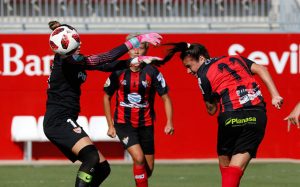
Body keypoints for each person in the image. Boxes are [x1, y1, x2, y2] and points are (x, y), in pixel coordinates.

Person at [43, 21, 162, 187]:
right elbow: (106, 57)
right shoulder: (69, 62)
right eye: (77, 41)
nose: (81, 43)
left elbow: (106, 65)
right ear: (68, 48)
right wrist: (137, 40)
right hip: (58, 121)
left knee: (103, 168)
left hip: (64, 120)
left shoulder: (69, 57)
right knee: (91, 157)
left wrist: (135, 61)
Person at [156, 42, 283, 187]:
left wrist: (212, 98)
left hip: (231, 116)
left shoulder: (202, 76)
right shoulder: (236, 58)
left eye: (189, 66)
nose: (188, 71)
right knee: (235, 169)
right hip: (257, 115)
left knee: (225, 160)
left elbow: (212, 110)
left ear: (201, 59)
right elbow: (261, 68)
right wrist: (275, 95)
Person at [103, 34, 174, 187]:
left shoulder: (152, 72)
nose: (136, 52)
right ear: (127, 51)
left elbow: (166, 97)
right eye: (133, 48)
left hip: (146, 125)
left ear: (146, 51)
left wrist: (169, 122)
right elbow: (106, 97)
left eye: (140, 48)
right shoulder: (119, 70)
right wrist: (110, 124)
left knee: (148, 170)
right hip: (124, 123)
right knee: (139, 158)